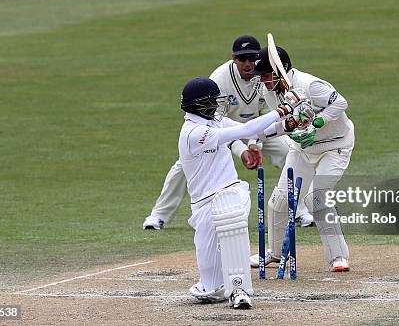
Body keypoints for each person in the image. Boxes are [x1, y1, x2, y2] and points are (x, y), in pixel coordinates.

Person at [143, 35, 314, 230]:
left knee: (290, 153)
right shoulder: (220, 79)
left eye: (252, 58)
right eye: (242, 59)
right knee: (183, 165)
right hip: (223, 128)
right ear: (233, 58)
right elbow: (217, 123)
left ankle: (300, 211)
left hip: (259, 127)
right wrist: (243, 151)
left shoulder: (265, 76)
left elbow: (266, 112)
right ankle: (158, 215)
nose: (248, 63)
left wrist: (253, 144)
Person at [179, 77, 300, 308]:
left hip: (229, 191)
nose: (217, 104)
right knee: (211, 288)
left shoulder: (215, 122)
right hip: (203, 204)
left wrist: (288, 124)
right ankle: (216, 288)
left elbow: (257, 131)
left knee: (231, 215)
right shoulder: (193, 132)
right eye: (213, 101)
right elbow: (246, 129)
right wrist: (283, 109)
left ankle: (240, 290)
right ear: (199, 105)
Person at [248, 44, 354, 272]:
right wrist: (255, 137)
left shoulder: (310, 85)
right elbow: (285, 125)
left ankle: (338, 257)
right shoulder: (269, 92)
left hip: (335, 145)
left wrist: (318, 122)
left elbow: (340, 103)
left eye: (266, 75)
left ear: (280, 71)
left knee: (316, 198)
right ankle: (275, 254)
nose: (262, 80)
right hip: (302, 149)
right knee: (280, 201)